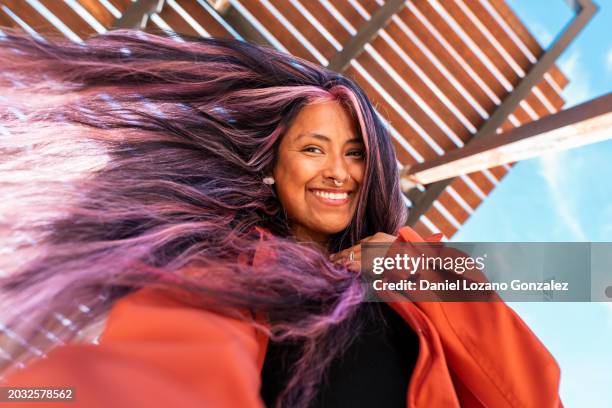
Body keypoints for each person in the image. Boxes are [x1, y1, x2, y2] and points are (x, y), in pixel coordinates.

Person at [0, 30, 562, 407]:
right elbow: (157, 379)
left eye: (356, 152)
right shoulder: (222, 264)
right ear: (275, 164)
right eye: (313, 149)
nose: (338, 171)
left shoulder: (417, 269)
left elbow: (532, 393)